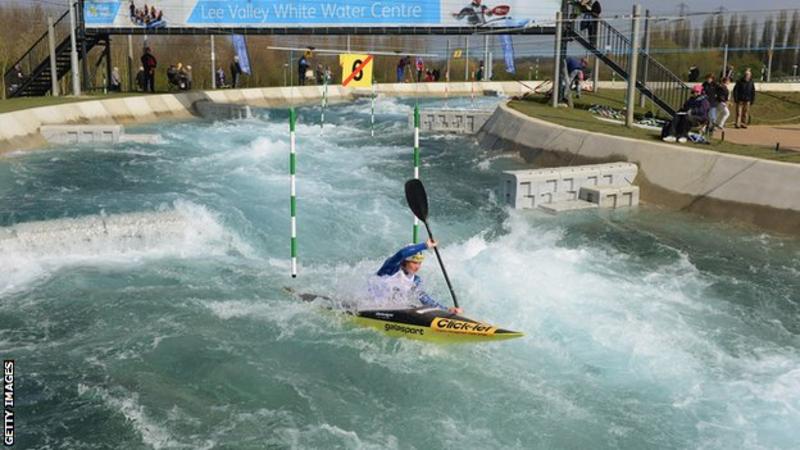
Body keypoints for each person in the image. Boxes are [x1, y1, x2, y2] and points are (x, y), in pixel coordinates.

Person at [370, 240, 463, 314]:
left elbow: (425, 299)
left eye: (419, 263)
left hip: (390, 310)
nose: (417, 266)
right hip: (369, 305)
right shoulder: (390, 268)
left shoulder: (415, 280)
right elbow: (401, 254)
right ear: (404, 262)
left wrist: (447, 310)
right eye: (414, 262)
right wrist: (425, 245)